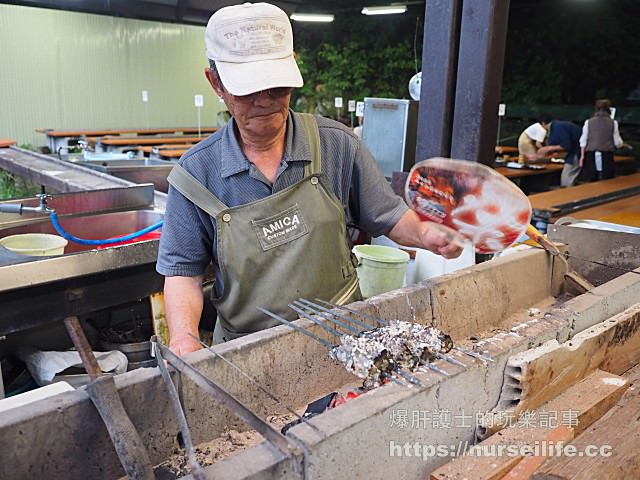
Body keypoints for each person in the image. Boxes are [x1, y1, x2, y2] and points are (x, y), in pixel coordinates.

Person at [156, 2, 464, 356]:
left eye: (276, 87)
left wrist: (428, 234)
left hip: (346, 341)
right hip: (248, 353)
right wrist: (183, 339)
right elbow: (183, 274)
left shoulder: (337, 144)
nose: (264, 101)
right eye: (247, 89)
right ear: (216, 83)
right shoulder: (196, 175)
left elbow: (390, 217)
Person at [579, 99, 630, 181]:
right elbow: (617, 142)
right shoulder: (613, 123)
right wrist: (624, 145)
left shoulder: (588, 122)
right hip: (607, 154)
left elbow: (583, 141)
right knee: (607, 181)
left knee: (592, 180)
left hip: (591, 154)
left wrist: (582, 156)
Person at [536, 115, 583, 187]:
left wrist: (547, 149)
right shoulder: (556, 126)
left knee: (566, 181)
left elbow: (566, 145)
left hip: (577, 153)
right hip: (573, 153)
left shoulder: (558, 127)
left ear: (543, 123)